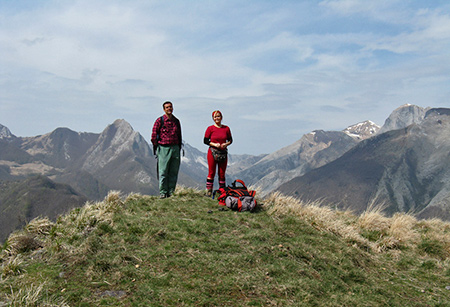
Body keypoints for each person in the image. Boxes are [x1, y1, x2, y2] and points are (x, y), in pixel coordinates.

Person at [151, 101, 182, 198]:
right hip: (164, 148)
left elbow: (179, 135)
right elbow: (153, 136)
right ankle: (163, 192)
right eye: (167, 107)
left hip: (175, 148)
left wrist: (179, 146)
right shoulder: (159, 120)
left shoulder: (176, 121)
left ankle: (171, 192)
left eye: (170, 107)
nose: (169, 109)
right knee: (163, 171)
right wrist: (157, 146)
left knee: (173, 171)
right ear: (164, 109)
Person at [203, 110, 233, 197]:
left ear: (221, 117)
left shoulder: (226, 128)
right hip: (212, 152)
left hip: (223, 152)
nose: (217, 118)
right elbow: (205, 140)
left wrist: (225, 144)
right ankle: (209, 191)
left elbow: (230, 140)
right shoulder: (210, 129)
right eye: (215, 117)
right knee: (211, 172)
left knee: (222, 172)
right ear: (213, 118)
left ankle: (222, 191)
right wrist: (214, 144)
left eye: (218, 116)